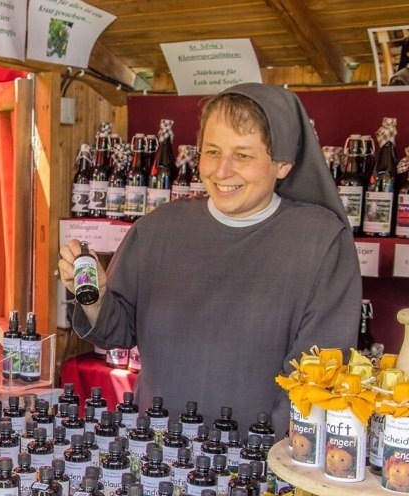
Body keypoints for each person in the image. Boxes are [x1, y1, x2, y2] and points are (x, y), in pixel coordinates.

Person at [58, 83, 360, 432]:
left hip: (263, 454)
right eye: (212, 151)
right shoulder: (157, 230)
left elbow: (315, 381)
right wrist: (96, 298)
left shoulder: (321, 241)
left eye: (243, 155)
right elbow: (118, 332)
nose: (221, 170)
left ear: (283, 164)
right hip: (159, 447)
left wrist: (267, 456)